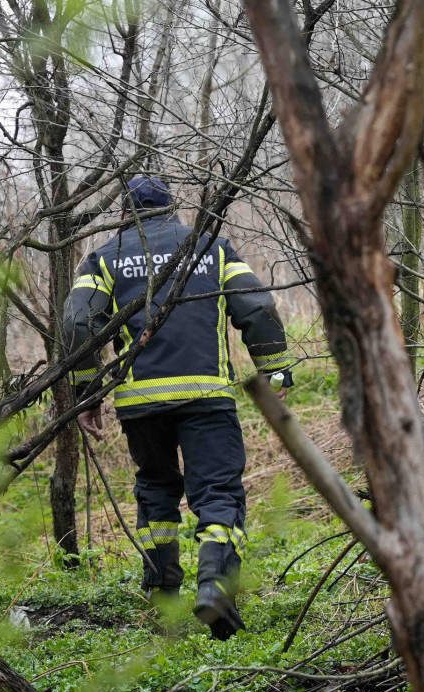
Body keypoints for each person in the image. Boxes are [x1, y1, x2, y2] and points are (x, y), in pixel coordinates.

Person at [62, 175, 293, 640]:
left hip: (141, 403)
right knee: (218, 493)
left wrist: (87, 392)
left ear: (124, 214)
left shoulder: (105, 257)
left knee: (156, 490)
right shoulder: (211, 247)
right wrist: (274, 371)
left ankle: (163, 596)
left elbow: (77, 321)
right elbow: (256, 307)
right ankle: (215, 587)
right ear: (171, 209)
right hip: (206, 396)